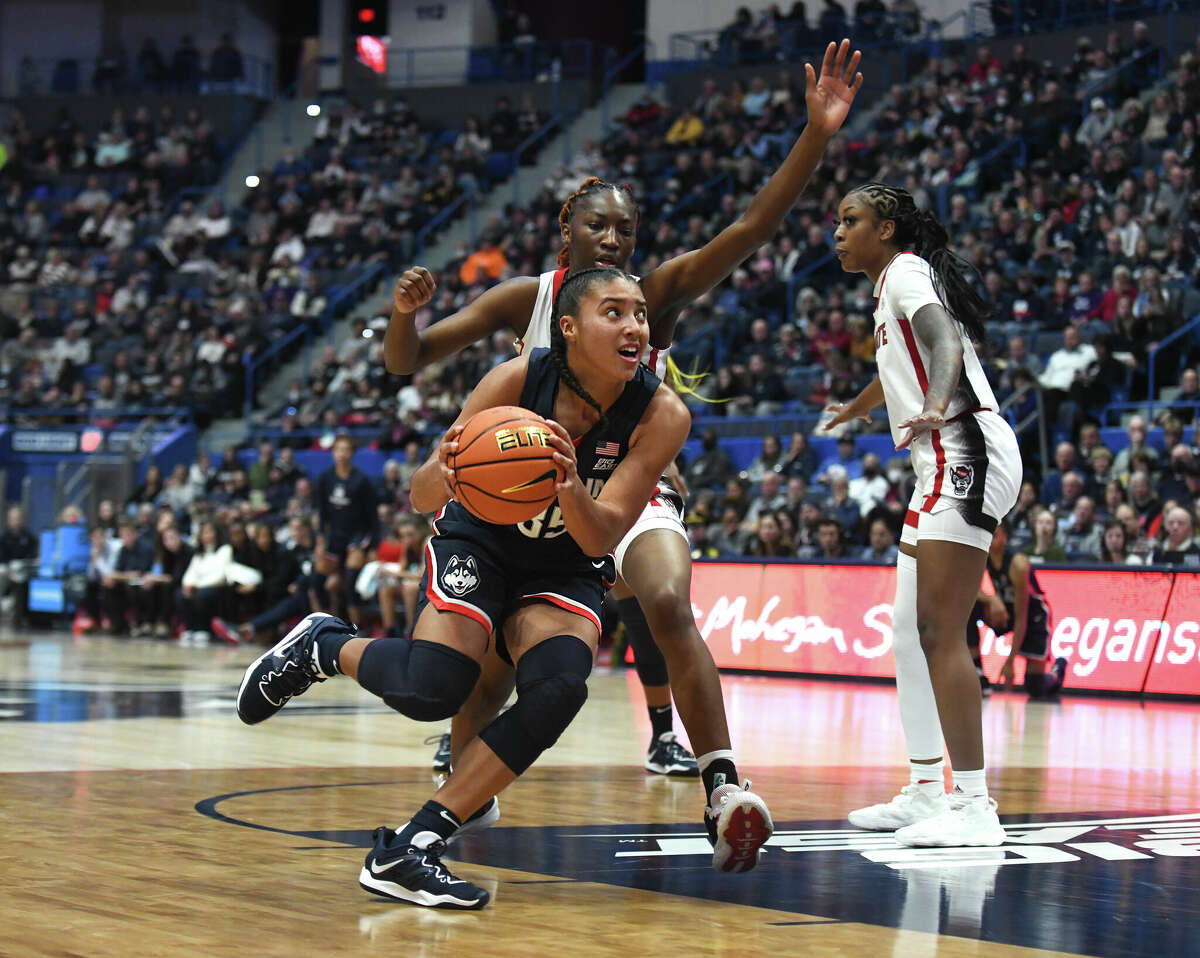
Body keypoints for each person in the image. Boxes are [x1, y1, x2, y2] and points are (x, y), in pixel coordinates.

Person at [381, 41, 862, 836]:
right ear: (565, 223)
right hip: (528, 500)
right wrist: (403, 316)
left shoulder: (649, 297)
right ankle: (458, 792)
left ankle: (722, 785)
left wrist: (816, 134)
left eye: (626, 230)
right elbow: (410, 359)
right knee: (485, 678)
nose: (614, 241)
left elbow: (749, 229)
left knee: (668, 600)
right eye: (598, 225)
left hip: (624, 489)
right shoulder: (523, 300)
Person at [237, 269, 710, 908]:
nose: (634, 327)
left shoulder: (661, 413)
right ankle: (325, 646)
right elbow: (420, 493)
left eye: (640, 315)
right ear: (568, 328)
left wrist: (568, 484)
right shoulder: (517, 380)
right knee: (434, 689)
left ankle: (411, 846)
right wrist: (455, 466)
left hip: (566, 563)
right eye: (614, 313)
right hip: (480, 543)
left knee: (561, 686)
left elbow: (600, 541)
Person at [825, 181, 1022, 847]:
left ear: (885, 229)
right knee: (909, 631)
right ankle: (925, 789)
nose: (838, 232)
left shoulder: (906, 273)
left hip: (962, 445)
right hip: (938, 459)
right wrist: (851, 412)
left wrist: (936, 403)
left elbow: (945, 346)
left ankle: (974, 806)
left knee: (939, 629)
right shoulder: (890, 288)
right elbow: (897, 366)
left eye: (850, 220)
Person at [974, 521, 1067, 699]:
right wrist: (992, 599)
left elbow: (1021, 618)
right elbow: (969, 589)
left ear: (1005, 538)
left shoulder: (1018, 564)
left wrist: (1010, 663)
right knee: (972, 606)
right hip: (1006, 610)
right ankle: (976, 667)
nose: (989, 539)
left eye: (994, 535)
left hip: (1033, 618)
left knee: (1035, 687)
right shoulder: (982, 556)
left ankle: (1059, 669)